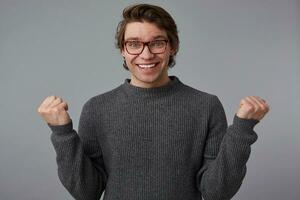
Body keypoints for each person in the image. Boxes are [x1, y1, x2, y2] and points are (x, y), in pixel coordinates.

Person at [37, 4, 270, 200]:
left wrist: (242, 130)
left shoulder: (206, 106)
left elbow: (216, 193)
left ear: (173, 47)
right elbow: (87, 192)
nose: (146, 55)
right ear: (123, 51)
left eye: (157, 43)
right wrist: (62, 133)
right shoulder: (97, 109)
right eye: (134, 44)